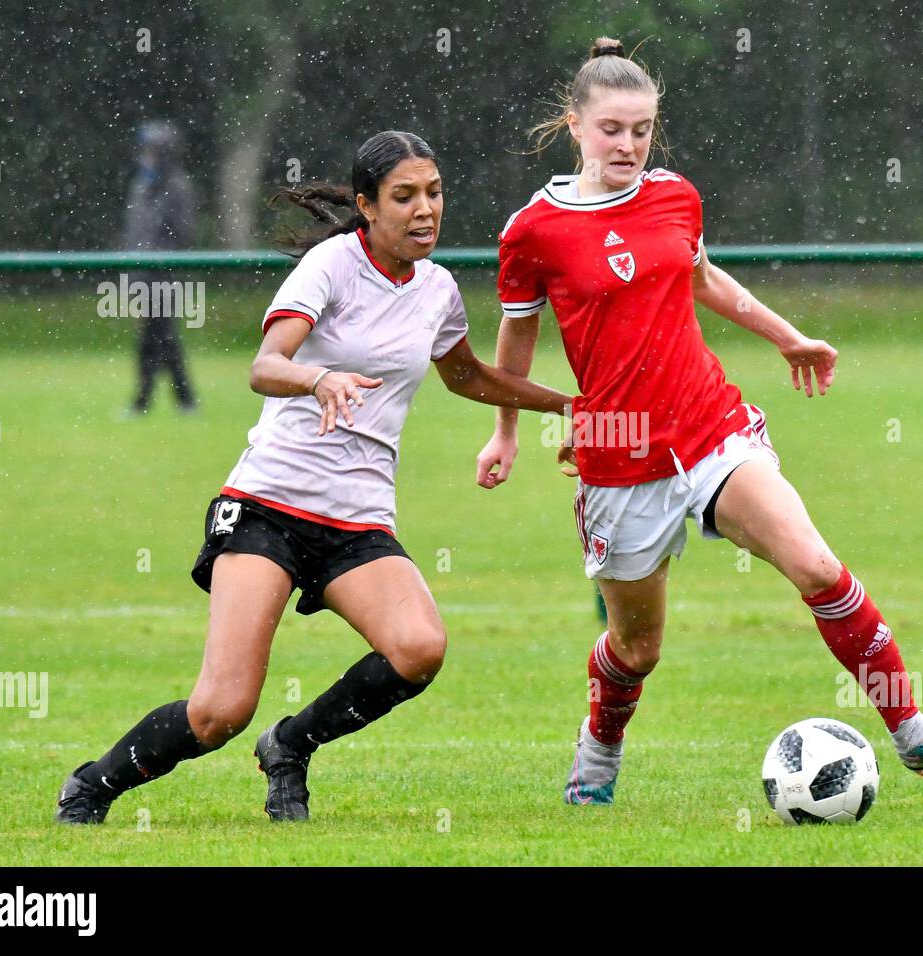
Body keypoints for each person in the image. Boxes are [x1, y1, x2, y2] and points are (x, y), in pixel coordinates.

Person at [476, 38, 923, 805]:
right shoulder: (533, 230)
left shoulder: (675, 195)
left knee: (816, 566)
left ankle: (911, 727)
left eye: (642, 129)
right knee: (636, 647)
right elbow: (515, 338)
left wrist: (788, 336)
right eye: (612, 129)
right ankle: (597, 757)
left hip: (711, 427)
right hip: (621, 458)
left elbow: (703, 276)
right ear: (575, 124)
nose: (628, 144)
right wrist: (508, 430)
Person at [56, 130, 573, 824]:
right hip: (268, 504)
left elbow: (470, 377)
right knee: (219, 712)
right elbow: (265, 365)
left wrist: (569, 402)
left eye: (435, 192)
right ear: (366, 205)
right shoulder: (331, 265)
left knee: (418, 648)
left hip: (356, 518)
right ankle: (91, 786)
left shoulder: (438, 289)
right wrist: (318, 378)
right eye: (404, 197)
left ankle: (291, 744)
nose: (426, 210)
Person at [122, 120, 198, 415]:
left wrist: (158, 260)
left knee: (157, 340)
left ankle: (146, 401)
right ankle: (183, 400)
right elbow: (134, 234)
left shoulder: (178, 187)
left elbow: (183, 234)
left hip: (165, 277)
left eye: (152, 151)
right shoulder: (141, 186)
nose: (146, 156)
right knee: (161, 340)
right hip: (142, 276)